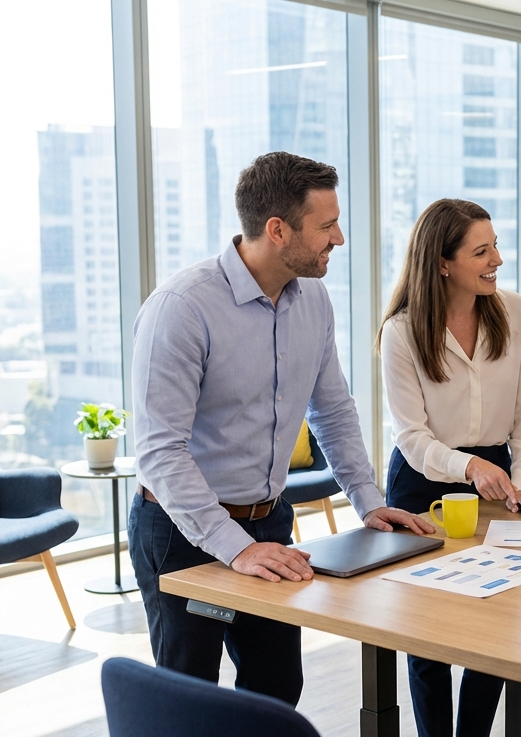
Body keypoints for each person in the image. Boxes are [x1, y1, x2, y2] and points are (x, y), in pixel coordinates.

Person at [129, 151, 433, 707]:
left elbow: (333, 410)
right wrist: (234, 548)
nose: (338, 238)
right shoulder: (181, 308)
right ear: (277, 230)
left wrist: (368, 500)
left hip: (270, 522)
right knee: (190, 702)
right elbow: (159, 452)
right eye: (326, 226)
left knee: (275, 690)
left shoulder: (312, 298)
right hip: (181, 530)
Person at [378, 198, 521, 737]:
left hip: (500, 476)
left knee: (496, 621)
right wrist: (469, 468)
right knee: (428, 629)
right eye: (482, 251)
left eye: (495, 245)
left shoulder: (514, 312)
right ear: (443, 262)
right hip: (422, 483)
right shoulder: (402, 332)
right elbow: (411, 437)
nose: (497, 259)